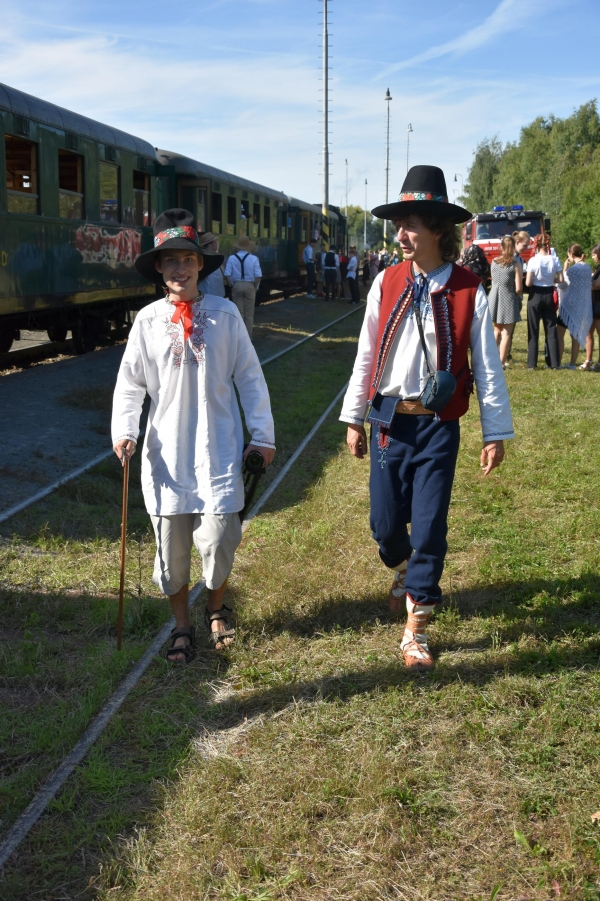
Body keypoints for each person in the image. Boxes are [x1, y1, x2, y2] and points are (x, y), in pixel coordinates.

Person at [340, 166, 513, 673]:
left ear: (438, 228)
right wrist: (354, 419)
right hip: (390, 422)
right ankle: (401, 567)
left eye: (410, 224)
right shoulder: (385, 281)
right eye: (399, 225)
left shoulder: (467, 288)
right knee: (386, 526)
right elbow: (365, 355)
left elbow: (486, 365)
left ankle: (415, 631)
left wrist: (495, 429)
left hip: (439, 426)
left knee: (431, 525)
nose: (401, 236)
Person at [111, 209, 275, 661]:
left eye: (187, 258)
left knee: (222, 536)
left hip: (218, 448)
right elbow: (130, 383)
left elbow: (250, 378)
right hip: (167, 454)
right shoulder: (146, 321)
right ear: (159, 270)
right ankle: (182, 624)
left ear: (201, 263)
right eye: (169, 261)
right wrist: (125, 430)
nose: (179, 268)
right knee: (171, 549)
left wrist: (262, 435)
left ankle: (216, 608)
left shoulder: (225, 315)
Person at [525, 233, 562, 369]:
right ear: (547, 244)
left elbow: (528, 283)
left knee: (533, 329)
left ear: (536, 244)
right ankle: (554, 363)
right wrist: (550, 280)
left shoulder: (533, 260)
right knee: (551, 329)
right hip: (549, 293)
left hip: (535, 293)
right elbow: (561, 279)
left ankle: (531, 364)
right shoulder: (555, 259)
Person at [556, 244, 592, 369]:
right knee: (575, 335)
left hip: (568, 305)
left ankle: (558, 363)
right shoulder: (588, 267)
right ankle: (572, 363)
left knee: (559, 333)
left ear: (571, 254)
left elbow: (563, 285)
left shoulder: (572, 270)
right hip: (580, 305)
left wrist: (565, 270)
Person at [488, 235, 522, 367]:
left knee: (496, 330)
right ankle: (501, 363)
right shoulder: (515, 264)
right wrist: (516, 296)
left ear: (501, 247)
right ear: (513, 247)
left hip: (494, 296)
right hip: (508, 296)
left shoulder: (494, 262)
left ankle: (491, 359)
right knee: (506, 333)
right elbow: (519, 287)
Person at [224, 235, 262, 337]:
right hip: (250, 286)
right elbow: (258, 275)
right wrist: (255, 287)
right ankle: (247, 339)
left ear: (238, 246)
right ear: (248, 247)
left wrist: (231, 285)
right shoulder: (254, 258)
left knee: (239, 314)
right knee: (249, 315)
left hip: (236, 285)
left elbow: (227, 274)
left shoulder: (232, 258)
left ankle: (239, 338)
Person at [582, 244, 600, 370]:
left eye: (594, 254)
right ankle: (588, 360)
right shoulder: (598, 267)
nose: (593, 257)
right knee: (588, 332)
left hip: (599, 303)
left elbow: (597, 285)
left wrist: (586, 284)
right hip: (593, 303)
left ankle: (599, 362)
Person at [197, 232, 225, 297]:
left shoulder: (215, 256)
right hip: (210, 294)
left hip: (217, 294)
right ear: (210, 245)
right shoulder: (206, 258)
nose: (216, 244)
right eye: (215, 242)